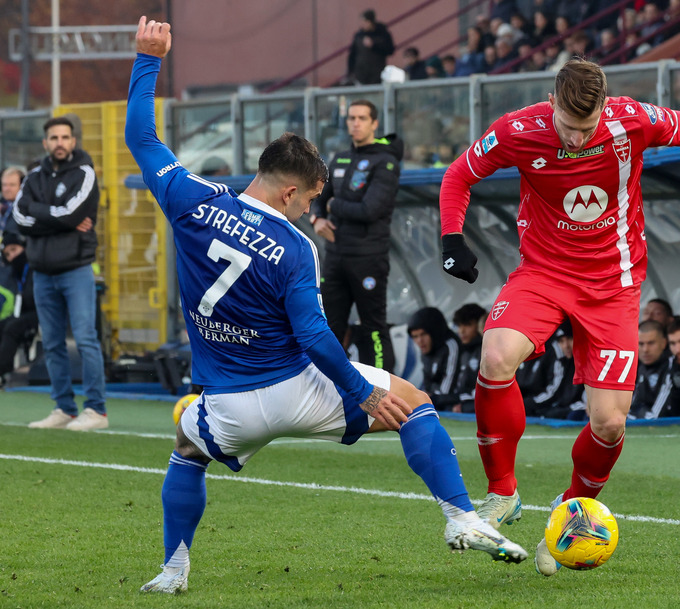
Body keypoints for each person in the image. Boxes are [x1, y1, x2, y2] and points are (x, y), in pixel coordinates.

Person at [126, 18, 526, 594]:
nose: (310, 207)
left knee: (188, 448)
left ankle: (172, 571)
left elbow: (141, 135)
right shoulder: (294, 248)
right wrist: (364, 393)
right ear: (292, 191)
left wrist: (149, 58)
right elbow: (315, 337)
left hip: (229, 405)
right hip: (297, 390)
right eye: (312, 197)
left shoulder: (188, 198)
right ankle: (462, 517)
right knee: (413, 404)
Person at [437, 58, 680, 576]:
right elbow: (459, 175)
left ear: (605, 108)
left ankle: (568, 516)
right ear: (552, 103)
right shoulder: (519, 130)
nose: (578, 137)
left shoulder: (632, 120)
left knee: (609, 423)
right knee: (496, 355)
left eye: (587, 129)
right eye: (568, 125)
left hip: (615, 284)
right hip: (542, 273)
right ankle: (502, 492)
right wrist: (453, 236)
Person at [13, 116, 108, 431]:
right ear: (45, 143)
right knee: (51, 342)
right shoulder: (32, 177)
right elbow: (19, 217)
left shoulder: (85, 173)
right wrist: (57, 218)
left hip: (76, 270)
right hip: (42, 273)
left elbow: (71, 215)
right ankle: (64, 408)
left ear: (73, 140)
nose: (60, 143)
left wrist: (40, 213)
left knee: (85, 339)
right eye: (54, 138)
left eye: (65, 137)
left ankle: (96, 411)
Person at [309, 100, 401, 373]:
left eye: (362, 118)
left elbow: (369, 210)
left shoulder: (386, 162)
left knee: (373, 327)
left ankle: (385, 388)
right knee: (328, 326)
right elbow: (317, 198)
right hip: (335, 257)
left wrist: (333, 207)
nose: (355, 123)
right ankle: (329, 390)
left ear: (374, 123)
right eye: (351, 118)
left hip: (368, 259)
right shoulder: (340, 158)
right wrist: (316, 218)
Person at [0, 231, 38, 383]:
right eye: (8, 254)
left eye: (14, 250)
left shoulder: (35, 266)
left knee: (12, 327)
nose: (12, 256)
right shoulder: (14, 273)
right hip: (23, 313)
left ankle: (2, 370)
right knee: (5, 325)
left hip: (42, 312)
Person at [407, 307, 461, 411]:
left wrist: (429, 396)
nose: (420, 340)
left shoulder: (451, 345)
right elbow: (428, 385)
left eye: (423, 334)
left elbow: (447, 391)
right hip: (436, 402)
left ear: (433, 332)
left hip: (453, 406)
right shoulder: (426, 350)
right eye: (415, 336)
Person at [629, 320, 670, 419]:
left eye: (651, 343)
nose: (645, 349)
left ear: (664, 343)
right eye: (641, 344)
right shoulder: (635, 366)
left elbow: (656, 417)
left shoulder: (672, 367)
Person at [452, 303, 486, 413]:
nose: (461, 331)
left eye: (467, 325)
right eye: (459, 326)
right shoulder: (463, 351)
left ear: (480, 325)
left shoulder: (487, 350)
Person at [347, 9, 395, 85]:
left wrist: (374, 45)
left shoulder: (382, 33)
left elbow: (390, 50)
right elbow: (352, 54)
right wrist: (350, 72)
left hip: (377, 75)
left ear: (371, 22)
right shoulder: (359, 36)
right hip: (360, 74)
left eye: (365, 22)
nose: (363, 24)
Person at [1, 167, 25, 234]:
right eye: (4, 185)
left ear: (22, 186)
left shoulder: (24, 209)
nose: (7, 189)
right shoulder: (4, 205)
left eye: (12, 185)